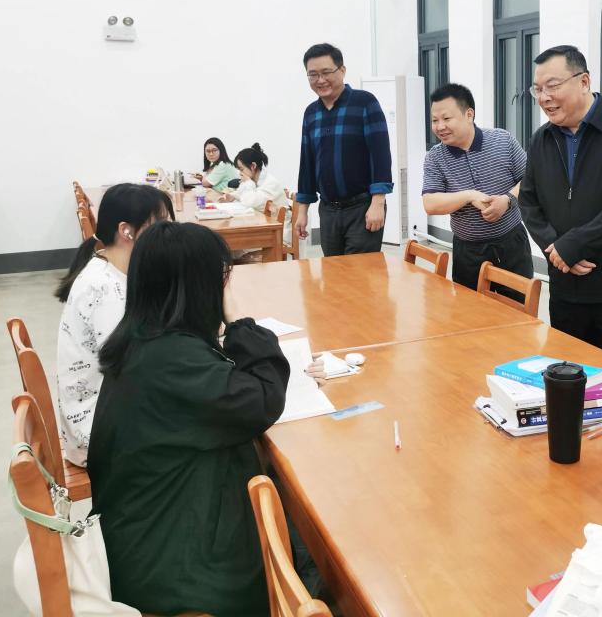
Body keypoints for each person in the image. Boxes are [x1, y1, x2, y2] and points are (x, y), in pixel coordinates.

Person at [89, 221, 291, 616]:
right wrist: (237, 321)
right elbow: (263, 399)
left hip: (141, 532)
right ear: (198, 287)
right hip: (171, 563)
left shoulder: (145, 336)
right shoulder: (171, 358)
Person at [519, 45, 602, 364]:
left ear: (584, 81)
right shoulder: (542, 139)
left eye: (552, 86)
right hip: (566, 284)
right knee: (567, 374)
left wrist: (576, 244)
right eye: (537, 89)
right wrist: (556, 249)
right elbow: (528, 200)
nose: (544, 97)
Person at [54, 183, 174, 467]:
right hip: (100, 436)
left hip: (104, 414)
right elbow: (137, 369)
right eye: (160, 225)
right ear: (126, 231)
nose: (168, 235)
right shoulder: (104, 290)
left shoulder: (110, 269)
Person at [422, 82, 533, 290]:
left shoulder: (502, 140)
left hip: (511, 244)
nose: (440, 127)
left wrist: (508, 200)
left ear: (469, 114)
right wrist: (469, 195)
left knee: (516, 307)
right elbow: (430, 203)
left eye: (446, 118)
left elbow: (531, 179)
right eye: (434, 120)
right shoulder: (436, 157)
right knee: (470, 307)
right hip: (468, 251)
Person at [294, 42, 393, 256]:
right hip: (328, 210)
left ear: (342, 70)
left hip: (362, 207)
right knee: (333, 271)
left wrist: (378, 202)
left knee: (359, 272)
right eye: (313, 75)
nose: (320, 80)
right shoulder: (311, 113)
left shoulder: (365, 102)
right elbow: (307, 163)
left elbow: (380, 155)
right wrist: (302, 211)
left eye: (326, 72)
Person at [222, 142, 285, 212]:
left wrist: (248, 183)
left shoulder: (271, 183)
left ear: (253, 166)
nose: (240, 173)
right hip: (261, 216)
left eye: (241, 169)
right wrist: (232, 196)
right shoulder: (252, 179)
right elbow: (241, 192)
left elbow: (250, 202)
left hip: (276, 219)